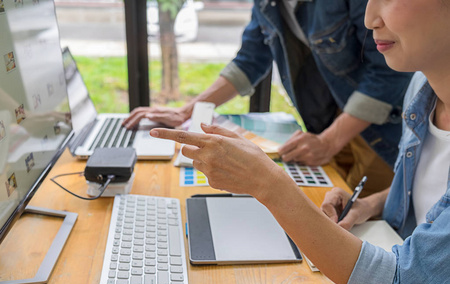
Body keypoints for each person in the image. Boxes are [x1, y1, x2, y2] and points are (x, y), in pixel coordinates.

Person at [149, 0, 450, 284]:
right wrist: (369, 205)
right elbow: (428, 194)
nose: (370, 18)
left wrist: (270, 185)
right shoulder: (422, 92)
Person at [123, 0, 413, 197]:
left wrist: (329, 141)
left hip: (379, 130)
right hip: (324, 124)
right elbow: (250, 59)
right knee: (332, 209)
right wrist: (188, 111)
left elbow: (389, 72)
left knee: (371, 225)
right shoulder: (266, 4)